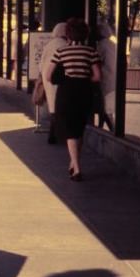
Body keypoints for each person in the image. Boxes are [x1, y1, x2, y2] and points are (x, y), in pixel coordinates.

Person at [48, 17, 102, 181]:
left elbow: (49, 76)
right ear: (85, 34)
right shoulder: (91, 51)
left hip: (67, 91)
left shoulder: (61, 52)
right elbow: (97, 76)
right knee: (79, 128)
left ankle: (77, 168)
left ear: (68, 34)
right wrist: (84, 78)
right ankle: (74, 162)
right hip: (84, 91)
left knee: (70, 130)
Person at [38, 22, 69, 143]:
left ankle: (53, 133)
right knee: (60, 106)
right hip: (58, 78)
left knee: (53, 106)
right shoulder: (64, 44)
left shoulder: (49, 44)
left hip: (48, 77)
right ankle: (56, 134)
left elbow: (41, 63)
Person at [94, 22, 116, 131]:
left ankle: (113, 129)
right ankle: (102, 127)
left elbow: (95, 60)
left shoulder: (102, 45)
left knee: (105, 108)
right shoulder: (113, 44)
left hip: (105, 79)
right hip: (113, 80)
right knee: (106, 107)